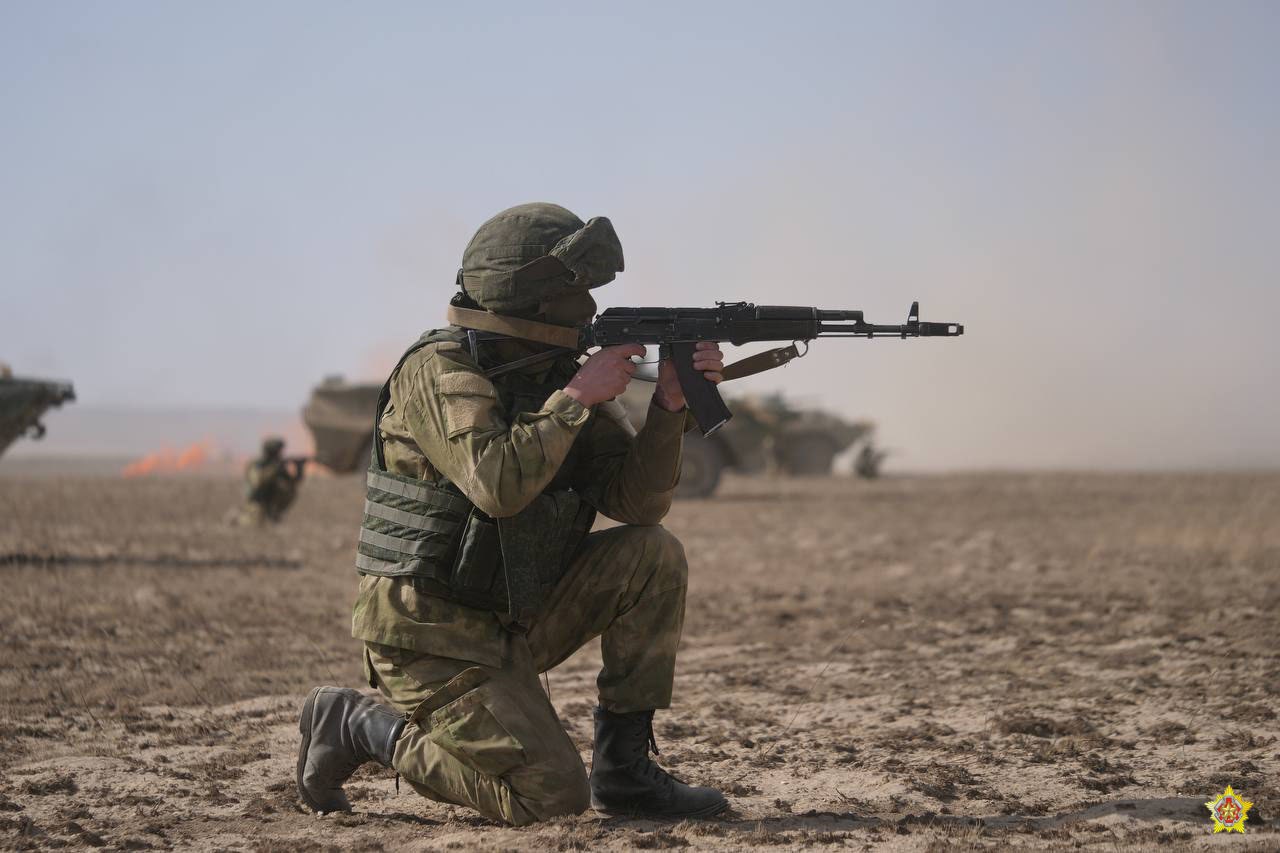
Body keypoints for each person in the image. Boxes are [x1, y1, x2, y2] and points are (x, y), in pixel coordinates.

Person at [296, 203, 730, 825]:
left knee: (652, 552)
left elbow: (637, 502)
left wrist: (668, 409)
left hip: (509, 619)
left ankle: (626, 772)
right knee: (549, 798)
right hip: (428, 638)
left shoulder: (551, 373)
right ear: (531, 293)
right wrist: (577, 397)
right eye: (573, 288)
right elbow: (496, 485)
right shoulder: (442, 368)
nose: (587, 303)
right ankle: (361, 726)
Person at [238, 437, 305, 524]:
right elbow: (258, 482)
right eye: (277, 452)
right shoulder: (257, 465)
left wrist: (299, 469)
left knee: (289, 489)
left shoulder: (278, 466)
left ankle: (274, 513)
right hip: (256, 504)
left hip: (271, 504)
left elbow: (293, 483)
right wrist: (275, 468)